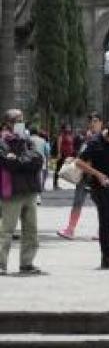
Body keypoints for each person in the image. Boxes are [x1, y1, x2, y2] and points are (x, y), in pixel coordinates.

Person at [0, 110, 44, 276]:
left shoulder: (28, 140)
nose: (21, 123)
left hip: (30, 191)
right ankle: (1, 263)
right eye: (17, 120)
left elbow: (38, 160)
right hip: (12, 193)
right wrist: (24, 161)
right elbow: (6, 162)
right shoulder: (2, 141)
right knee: (6, 231)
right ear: (7, 123)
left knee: (31, 230)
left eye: (22, 120)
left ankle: (27, 263)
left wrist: (18, 160)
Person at [77, 120, 109, 269]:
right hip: (102, 187)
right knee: (107, 222)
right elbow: (79, 162)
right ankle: (106, 257)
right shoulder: (94, 142)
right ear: (107, 134)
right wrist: (98, 175)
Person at [57, 114, 102, 240]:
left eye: (95, 121)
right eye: (91, 121)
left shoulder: (103, 138)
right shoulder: (85, 138)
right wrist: (74, 158)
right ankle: (70, 229)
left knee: (101, 204)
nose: (92, 124)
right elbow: (82, 155)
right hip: (83, 176)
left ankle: (102, 231)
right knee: (77, 202)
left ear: (101, 123)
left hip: (96, 176)